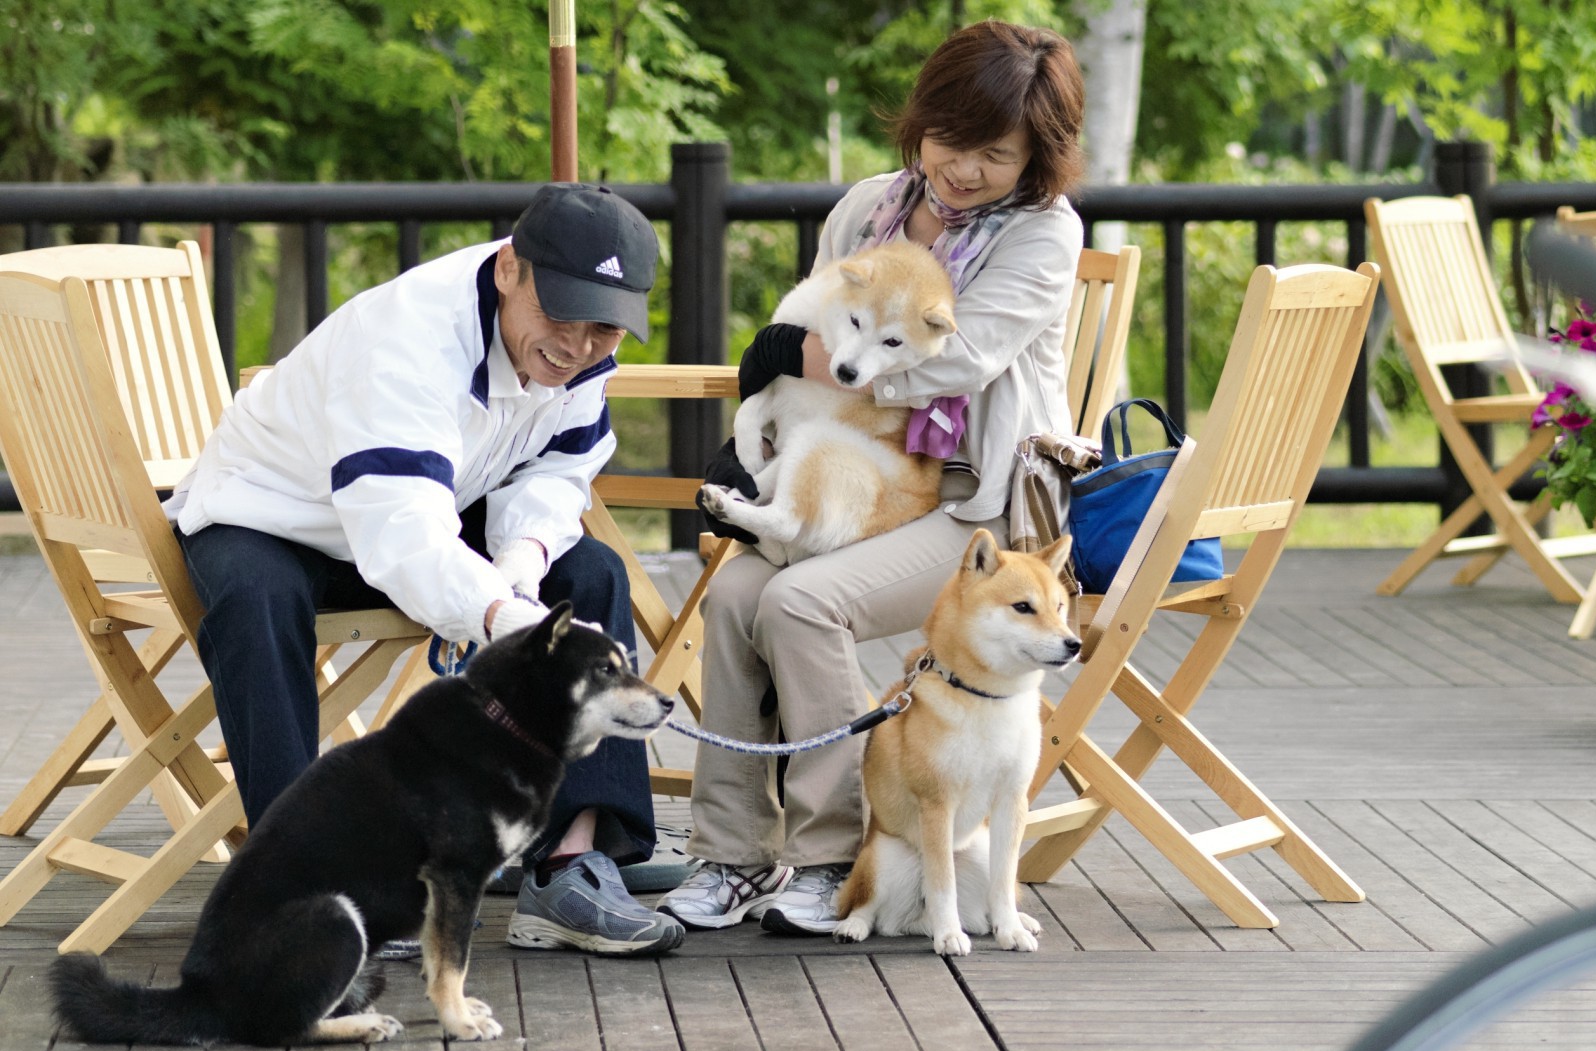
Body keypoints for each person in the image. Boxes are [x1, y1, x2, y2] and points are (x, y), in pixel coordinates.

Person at [168, 183, 684, 956]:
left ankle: (571, 866)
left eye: (604, 328)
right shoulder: (407, 340)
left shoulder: (579, 355)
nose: (576, 346)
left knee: (594, 572)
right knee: (254, 601)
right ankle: (304, 890)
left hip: (428, 504)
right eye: (560, 316)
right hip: (271, 512)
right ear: (511, 268)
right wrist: (502, 615)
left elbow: (554, 476)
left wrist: (521, 560)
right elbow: (403, 537)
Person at [663, 20, 1085, 935]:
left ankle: (826, 859)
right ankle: (730, 853)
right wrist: (766, 432)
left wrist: (803, 358)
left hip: (977, 512)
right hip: (863, 470)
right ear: (920, 124)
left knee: (799, 603)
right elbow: (815, 320)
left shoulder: (1044, 235)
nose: (963, 168)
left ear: (1037, 156)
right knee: (737, 593)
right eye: (949, 140)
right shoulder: (868, 208)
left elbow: (956, 360)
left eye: (994, 153)